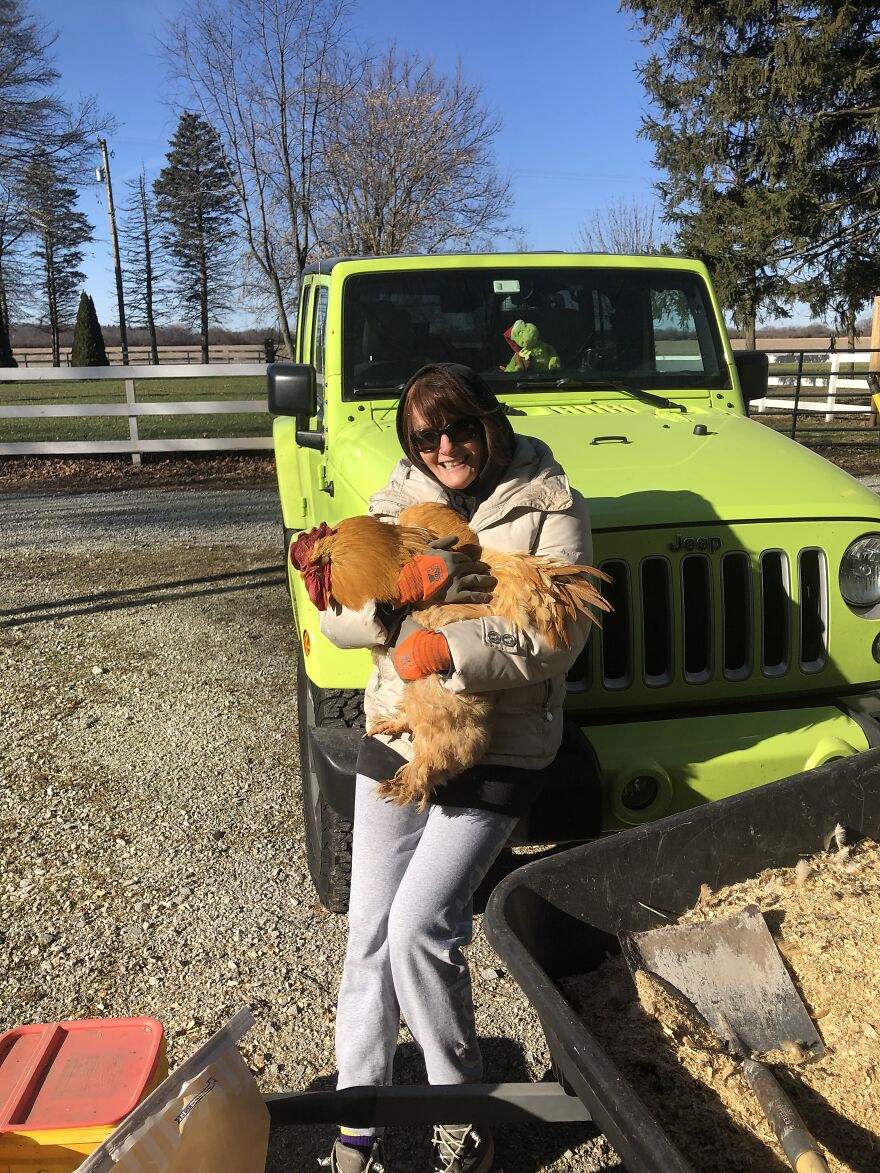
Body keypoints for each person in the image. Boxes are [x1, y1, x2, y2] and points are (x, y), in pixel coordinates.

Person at [317, 363, 593, 1173]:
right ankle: (356, 1123)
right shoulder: (394, 498)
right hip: (400, 732)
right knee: (369, 931)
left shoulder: (550, 500)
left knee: (420, 926)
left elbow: (557, 635)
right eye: (426, 436)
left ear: (488, 421)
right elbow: (335, 617)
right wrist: (392, 597)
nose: (444, 447)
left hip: (500, 741)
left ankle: (460, 1113)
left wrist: (447, 646)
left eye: (459, 427)